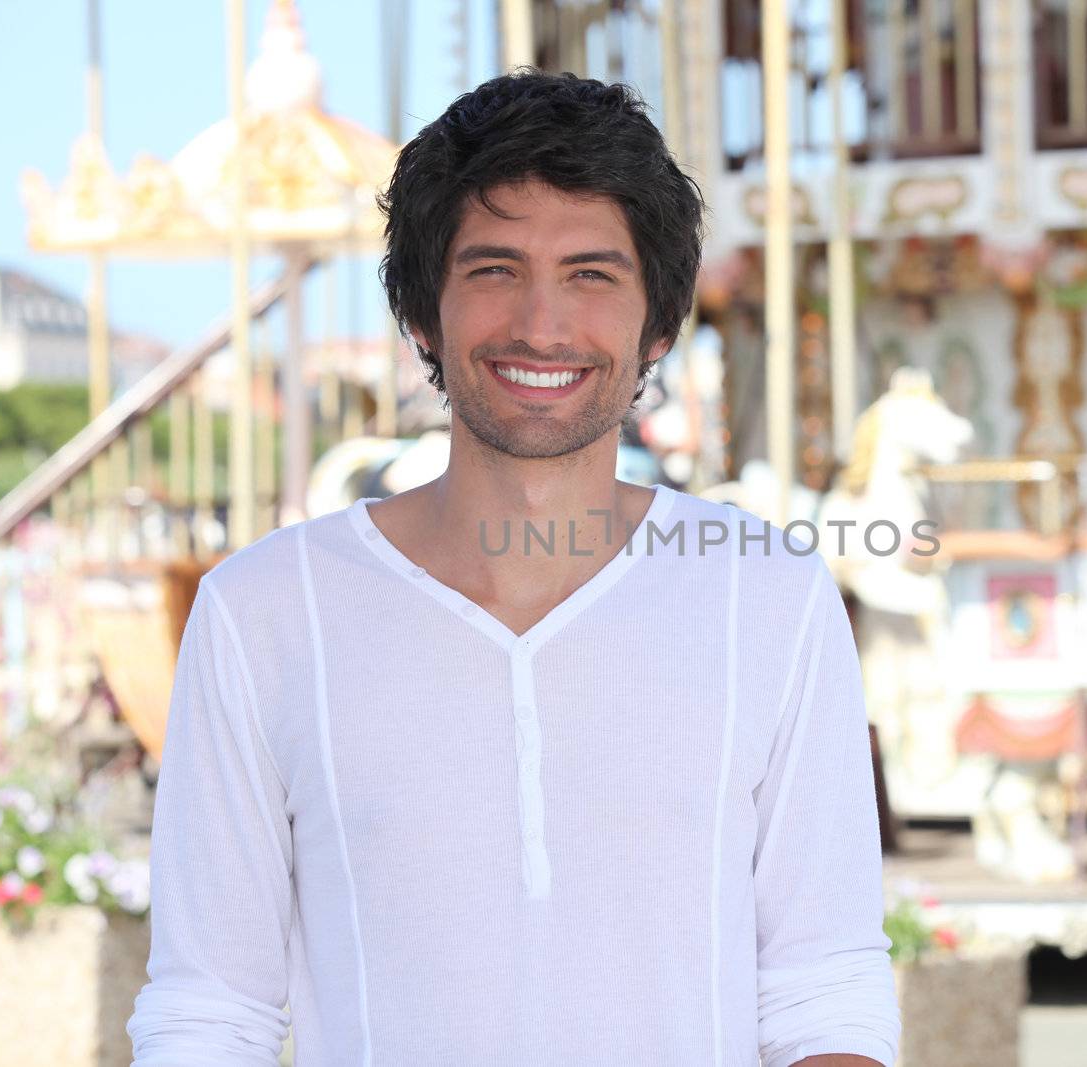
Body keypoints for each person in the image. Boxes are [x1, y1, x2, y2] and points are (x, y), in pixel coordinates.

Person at [126, 70, 900, 1066]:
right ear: (421, 313)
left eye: (591, 273)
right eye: (494, 269)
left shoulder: (771, 595)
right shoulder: (267, 611)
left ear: (656, 324)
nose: (542, 323)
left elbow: (823, 979)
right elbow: (208, 1007)